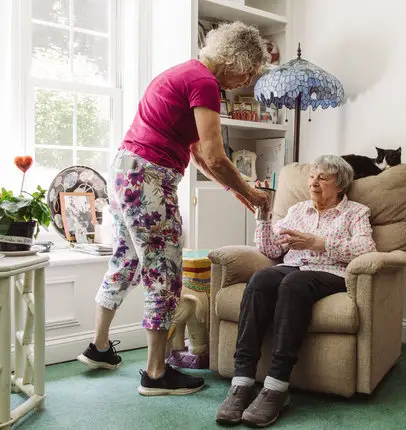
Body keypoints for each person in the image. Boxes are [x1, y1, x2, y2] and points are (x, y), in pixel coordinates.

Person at [76, 21, 271, 396]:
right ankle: (156, 373)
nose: (244, 80)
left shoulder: (183, 73)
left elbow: (198, 152)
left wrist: (236, 192)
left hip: (124, 172)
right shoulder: (206, 83)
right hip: (149, 178)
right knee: (163, 270)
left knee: (126, 260)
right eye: (248, 71)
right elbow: (215, 155)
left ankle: (98, 346)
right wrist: (252, 192)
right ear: (236, 58)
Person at [215, 155, 378, 427]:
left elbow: (366, 250)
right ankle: (242, 382)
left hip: (331, 273)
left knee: (293, 284)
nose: (314, 182)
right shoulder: (297, 210)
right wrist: (264, 219)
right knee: (261, 280)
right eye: (312, 176)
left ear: (340, 185)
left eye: (323, 178)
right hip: (294, 268)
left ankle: (277, 387)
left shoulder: (356, 212)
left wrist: (318, 242)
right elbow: (272, 251)